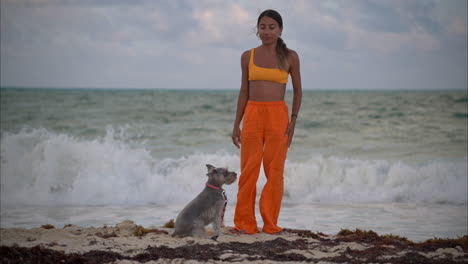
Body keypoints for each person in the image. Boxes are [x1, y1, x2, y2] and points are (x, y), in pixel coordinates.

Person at [231, 9, 302, 234]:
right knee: (248, 170)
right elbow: (244, 91)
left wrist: (293, 122)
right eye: (263, 27)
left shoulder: (290, 56)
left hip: (278, 117)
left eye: (272, 27)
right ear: (257, 29)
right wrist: (236, 125)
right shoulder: (247, 56)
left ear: (280, 30)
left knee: (274, 171)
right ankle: (245, 223)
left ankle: (270, 223)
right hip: (252, 115)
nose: (267, 31)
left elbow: (298, 92)